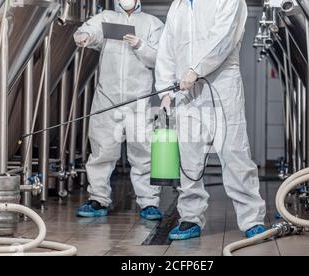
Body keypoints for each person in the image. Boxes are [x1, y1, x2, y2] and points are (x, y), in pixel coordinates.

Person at [155, 0, 267, 240]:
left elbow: (224, 36)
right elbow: (167, 49)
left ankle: (252, 219)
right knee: (189, 157)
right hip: (185, 90)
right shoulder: (179, 6)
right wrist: (165, 90)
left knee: (234, 152)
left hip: (222, 84)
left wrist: (196, 68)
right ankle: (190, 218)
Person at [73, 0, 165, 221]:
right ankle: (98, 199)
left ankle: (149, 202)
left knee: (143, 153)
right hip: (108, 98)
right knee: (102, 150)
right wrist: (83, 36)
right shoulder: (106, 18)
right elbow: (87, 30)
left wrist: (139, 45)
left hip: (139, 99)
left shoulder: (152, 24)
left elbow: (159, 58)